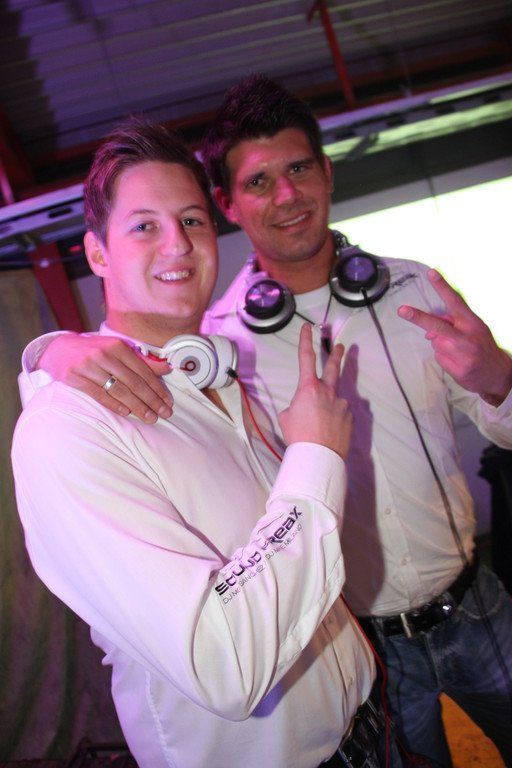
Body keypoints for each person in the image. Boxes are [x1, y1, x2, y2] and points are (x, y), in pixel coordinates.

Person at [19, 77, 512, 767]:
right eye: (258, 181)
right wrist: (48, 353)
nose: (286, 196)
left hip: (458, 618)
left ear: (327, 172)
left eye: (299, 168)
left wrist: (500, 379)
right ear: (232, 204)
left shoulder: (409, 293)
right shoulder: (224, 346)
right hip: (370, 642)